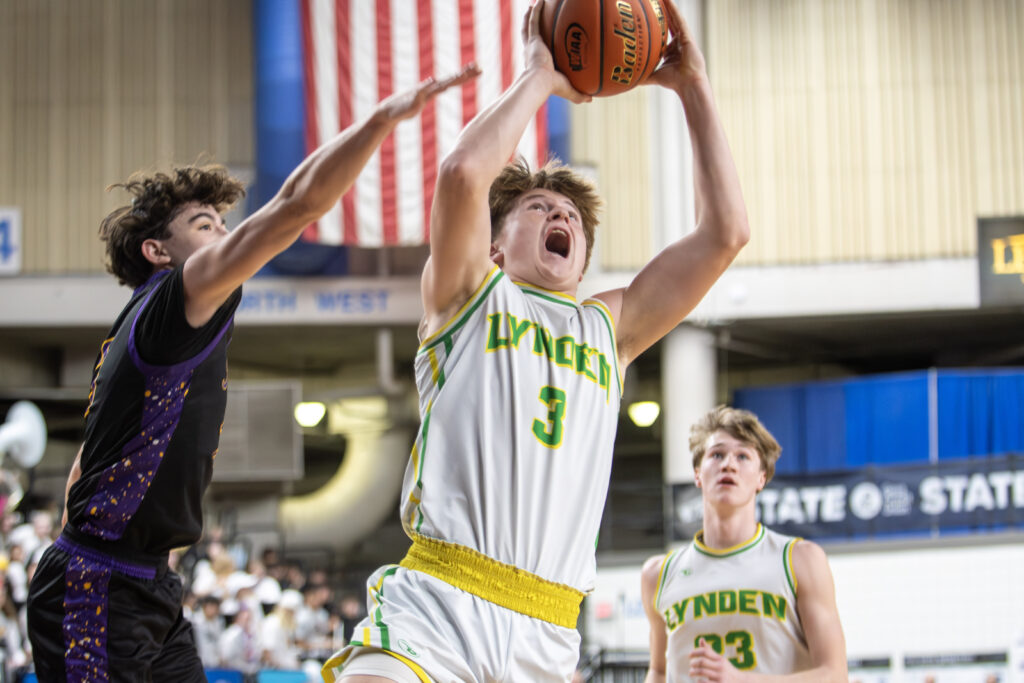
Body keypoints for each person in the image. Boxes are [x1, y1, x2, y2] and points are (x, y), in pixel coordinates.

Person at [323, 2, 750, 682]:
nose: (560, 214)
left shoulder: (609, 327)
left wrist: (694, 84)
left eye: (572, 216)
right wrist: (539, 76)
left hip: (548, 629)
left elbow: (725, 233)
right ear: (494, 243)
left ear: (581, 260)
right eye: (537, 208)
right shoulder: (468, 293)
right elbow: (463, 173)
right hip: (439, 601)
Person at [24, 65, 479, 683]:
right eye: (204, 226)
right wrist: (378, 121)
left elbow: (86, 460)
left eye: (222, 223)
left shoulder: (145, 328)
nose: (224, 235)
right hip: (98, 586)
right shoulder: (169, 305)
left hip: (144, 581)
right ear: (158, 252)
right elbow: (297, 206)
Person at [640, 406, 847, 682]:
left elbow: (834, 674)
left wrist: (741, 680)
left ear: (762, 477)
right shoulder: (657, 574)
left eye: (743, 456)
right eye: (717, 454)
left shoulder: (800, 559)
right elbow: (659, 670)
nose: (729, 464)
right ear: (698, 474)